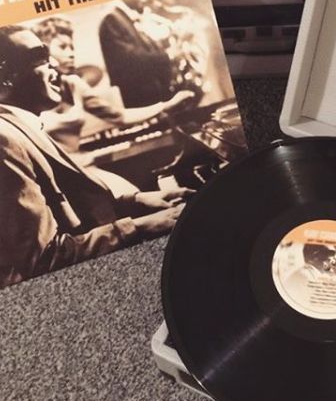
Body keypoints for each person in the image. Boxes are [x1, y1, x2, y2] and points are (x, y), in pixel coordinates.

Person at [0, 25, 192, 288]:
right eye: (40, 58)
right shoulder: (5, 140)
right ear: (5, 77)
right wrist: (142, 227)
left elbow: (68, 200)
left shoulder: (20, 125)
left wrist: (136, 202)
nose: (55, 65)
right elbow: (44, 259)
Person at [33, 16, 195, 155]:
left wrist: (164, 106)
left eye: (72, 47)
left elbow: (121, 117)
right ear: (44, 52)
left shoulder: (74, 84)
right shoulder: (30, 91)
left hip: (76, 161)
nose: (71, 53)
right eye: (63, 47)